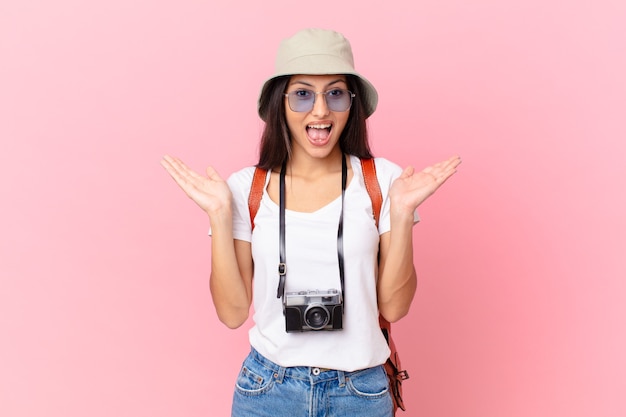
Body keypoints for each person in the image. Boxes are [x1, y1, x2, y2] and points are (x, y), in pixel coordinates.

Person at [161, 28, 461, 417]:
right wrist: (219, 215)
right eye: (303, 94)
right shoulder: (245, 188)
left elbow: (395, 306)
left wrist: (401, 213)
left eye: (335, 93)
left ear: (351, 103)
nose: (320, 110)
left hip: (359, 392)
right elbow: (233, 313)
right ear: (280, 104)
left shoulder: (384, 182)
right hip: (268, 389)